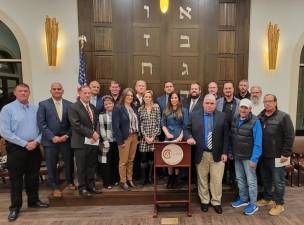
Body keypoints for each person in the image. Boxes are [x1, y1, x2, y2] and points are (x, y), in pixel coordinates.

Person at [0, 83, 49, 222]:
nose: (23, 93)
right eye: (20, 91)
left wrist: (36, 141)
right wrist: (24, 143)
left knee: (33, 176)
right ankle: (15, 207)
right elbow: (4, 132)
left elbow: (42, 128)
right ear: (15, 93)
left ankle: (33, 201)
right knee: (16, 179)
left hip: (34, 147)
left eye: (26, 91)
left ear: (29, 93)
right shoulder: (7, 109)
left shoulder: (35, 109)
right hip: (16, 148)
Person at [185, 94, 228, 214]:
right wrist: (189, 137)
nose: (209, 105)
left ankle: (216, 202)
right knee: (202, 179)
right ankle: (204, 201)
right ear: (203, 103)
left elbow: (226, 136)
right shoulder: (194, 115)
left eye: (212, 103)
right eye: (207, 103)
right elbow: (186, 129)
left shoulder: (222, 116)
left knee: (216, 180)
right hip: (201, 153)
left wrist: (225, 152)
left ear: (215, 104)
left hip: (218, 154)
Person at [257, 94, 295, 216]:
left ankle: (279, 204)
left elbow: (290, 136)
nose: (267, 103)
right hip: (263, 155)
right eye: (265, 101)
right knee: (266, 179)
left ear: (275, 102)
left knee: (278, 181)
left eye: (270, 101)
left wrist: (286, 153)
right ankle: (267, 199)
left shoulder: (283, 116)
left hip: (279, 156)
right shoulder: (260, 116)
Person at [37, 82, 75, 198]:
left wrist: (66, 136)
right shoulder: (43, 104)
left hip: (65, 139)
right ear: (51, 91)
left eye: (59, 89)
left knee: (69, 162)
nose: (57, 91)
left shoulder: (70, 105)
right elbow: (41, 124)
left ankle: (70, 181)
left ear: (63, 91)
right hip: (50, 141)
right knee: (51, 164)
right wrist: (52, 137)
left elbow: (73, 124)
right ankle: (54, 187)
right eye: (54, 89)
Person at [230, 98, 262, 216]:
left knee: (251, 181)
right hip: (237, 155)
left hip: (249, 157)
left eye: (246, 108)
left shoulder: (255, 121)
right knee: (240, 178)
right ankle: (243, 199)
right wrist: (230, 151)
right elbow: (232, 136)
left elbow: (258, 142)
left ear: (250, 109)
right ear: (239, 108)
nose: (243, 110)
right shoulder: (236, 118)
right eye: (242, 107)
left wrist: (254, 159)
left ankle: (253, 204)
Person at [68, 85, 102, 196]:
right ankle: (82, 188)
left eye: (89, 93)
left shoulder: (92, 107)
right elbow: (76, 125)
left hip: (93, 142)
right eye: (85, 93)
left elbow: (96, 122)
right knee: (81, 166)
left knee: (91, 165)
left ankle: (91, 186)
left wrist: (96, 134)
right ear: (79, 93)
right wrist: (92, 134)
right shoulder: (73, 107)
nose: (87, 95)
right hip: (80, 142)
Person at [112, 88, 139, 191]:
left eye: (132, 96)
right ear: (123, 96)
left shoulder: (133, 107)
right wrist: (120, 141)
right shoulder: (118, 107)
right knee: (123, 161)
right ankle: (123, 181)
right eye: (128, 95)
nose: (130, 97)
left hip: (134, 136)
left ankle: (130, 179)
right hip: (125, 138)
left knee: (131, 160)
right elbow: (115, 126)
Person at [161, 91, 189, 188]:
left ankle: (176, 178)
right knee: (169, 158)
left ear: (178, 99)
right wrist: (167, 133)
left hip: (179, 137)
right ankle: (170, 177)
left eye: (175, 97)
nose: (174, 99)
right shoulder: (166, 110)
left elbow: (186, 125)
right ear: (170, 99)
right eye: (172, 98)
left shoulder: (184, 110)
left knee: (177, 158)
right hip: (168, 137)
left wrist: (181, 136)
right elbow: (163, 124)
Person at [216, 82, 240, 189]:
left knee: (234, 160)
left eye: (230, 88)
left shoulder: (239, 102)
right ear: (223, 90)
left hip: (235, 136)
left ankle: (233, 182)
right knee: (222, 159)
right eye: (226, 88)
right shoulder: (218, 102)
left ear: (233, 89)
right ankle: (222, 181)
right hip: (222, 135)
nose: (228, 90)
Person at [138, 90, 161, 185]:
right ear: (143, 98)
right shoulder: (140, 109)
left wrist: (153, 137)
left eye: (149, 97)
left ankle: (150, 177)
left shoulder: (156, 108)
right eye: (146, 97)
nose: (147, 98)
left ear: (152, 98)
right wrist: (145, 136)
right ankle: (144, 178)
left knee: (152, 159)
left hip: (153, 138)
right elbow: (140, 124)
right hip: (144, 138)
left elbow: (158, 123)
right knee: (143, 159)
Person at [98, 95, 119, 189]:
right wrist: (105, 140)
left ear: (113, 104)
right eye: (106, 104)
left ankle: (115, 180)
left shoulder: (117, 114)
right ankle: (107, 183)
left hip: (116, 141)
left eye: (110, 103)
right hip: (106, 142)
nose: (108, 105)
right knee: (106, 162)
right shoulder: (102, 115)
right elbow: (102, 129)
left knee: (115, 161)